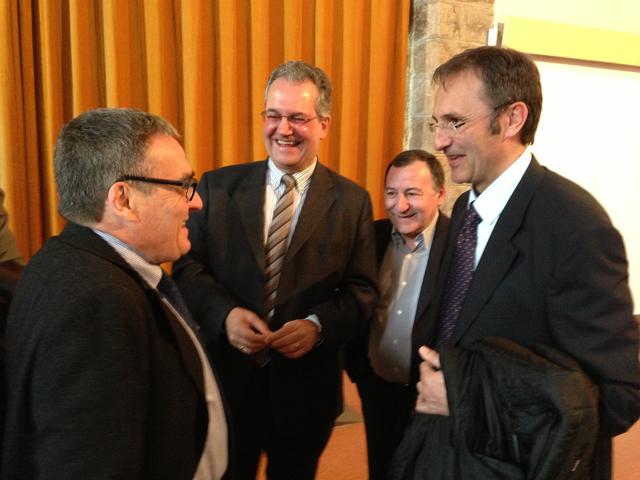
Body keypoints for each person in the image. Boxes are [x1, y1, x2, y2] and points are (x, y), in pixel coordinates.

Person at [412, 46, 640, 478]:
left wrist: (468, 399)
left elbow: (616, 398)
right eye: (437, 123)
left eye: (455, 122)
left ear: (513, 118)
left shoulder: (575, 226)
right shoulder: (464, 209)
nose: (439, 141)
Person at [173, 61, 378, 479]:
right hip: (229, 382)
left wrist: (318, 326)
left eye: (298, 118)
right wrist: (225, 314)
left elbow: (362, 291)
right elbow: (187, 268)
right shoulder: (217, 188)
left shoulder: (352, 201)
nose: (283, 129)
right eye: (273, 115)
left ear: (323, 124)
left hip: (306, 391)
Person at [2, 108, 228, 479]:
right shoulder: (97, 303)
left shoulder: (63, 259)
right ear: (123, 199)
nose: (196, 202)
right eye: (181, 186)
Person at [344, 149, 449, 479]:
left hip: (432, 395)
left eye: (412, 193)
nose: (399, 205)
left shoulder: (460, 247)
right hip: (376, 387)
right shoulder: (370, 238)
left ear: (440, 194)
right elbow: (352, 298)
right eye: (391, 193)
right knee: (381, 468)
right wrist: (359, 371)